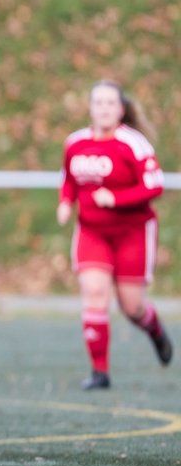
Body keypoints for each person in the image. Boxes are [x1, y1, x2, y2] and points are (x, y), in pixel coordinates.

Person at [58, 79, 170, 389]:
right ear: (90, 108)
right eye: (98, 103)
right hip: (92, 232)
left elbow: (154, 185)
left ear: (121, 109)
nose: (104, 109)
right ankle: (99, 372)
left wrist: (115, 199)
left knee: (132, 307)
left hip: (133, 232)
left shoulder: (134, 144)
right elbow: (69, 179)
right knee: (94, 292)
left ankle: (155, 329)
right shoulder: (75, 143)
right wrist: (66, 203)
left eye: (110, 103)